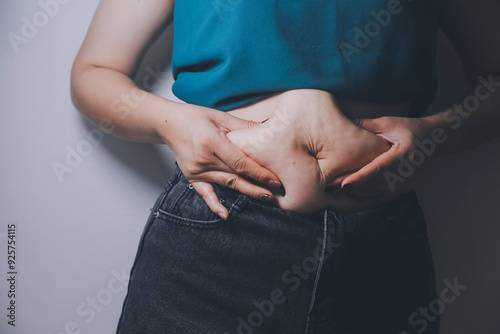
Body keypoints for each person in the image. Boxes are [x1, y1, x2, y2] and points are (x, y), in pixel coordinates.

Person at [70, 0, 500, 333]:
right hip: (218, 237)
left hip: (380, 246)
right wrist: (174, 124)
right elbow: (94, 71)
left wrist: (433, 135)